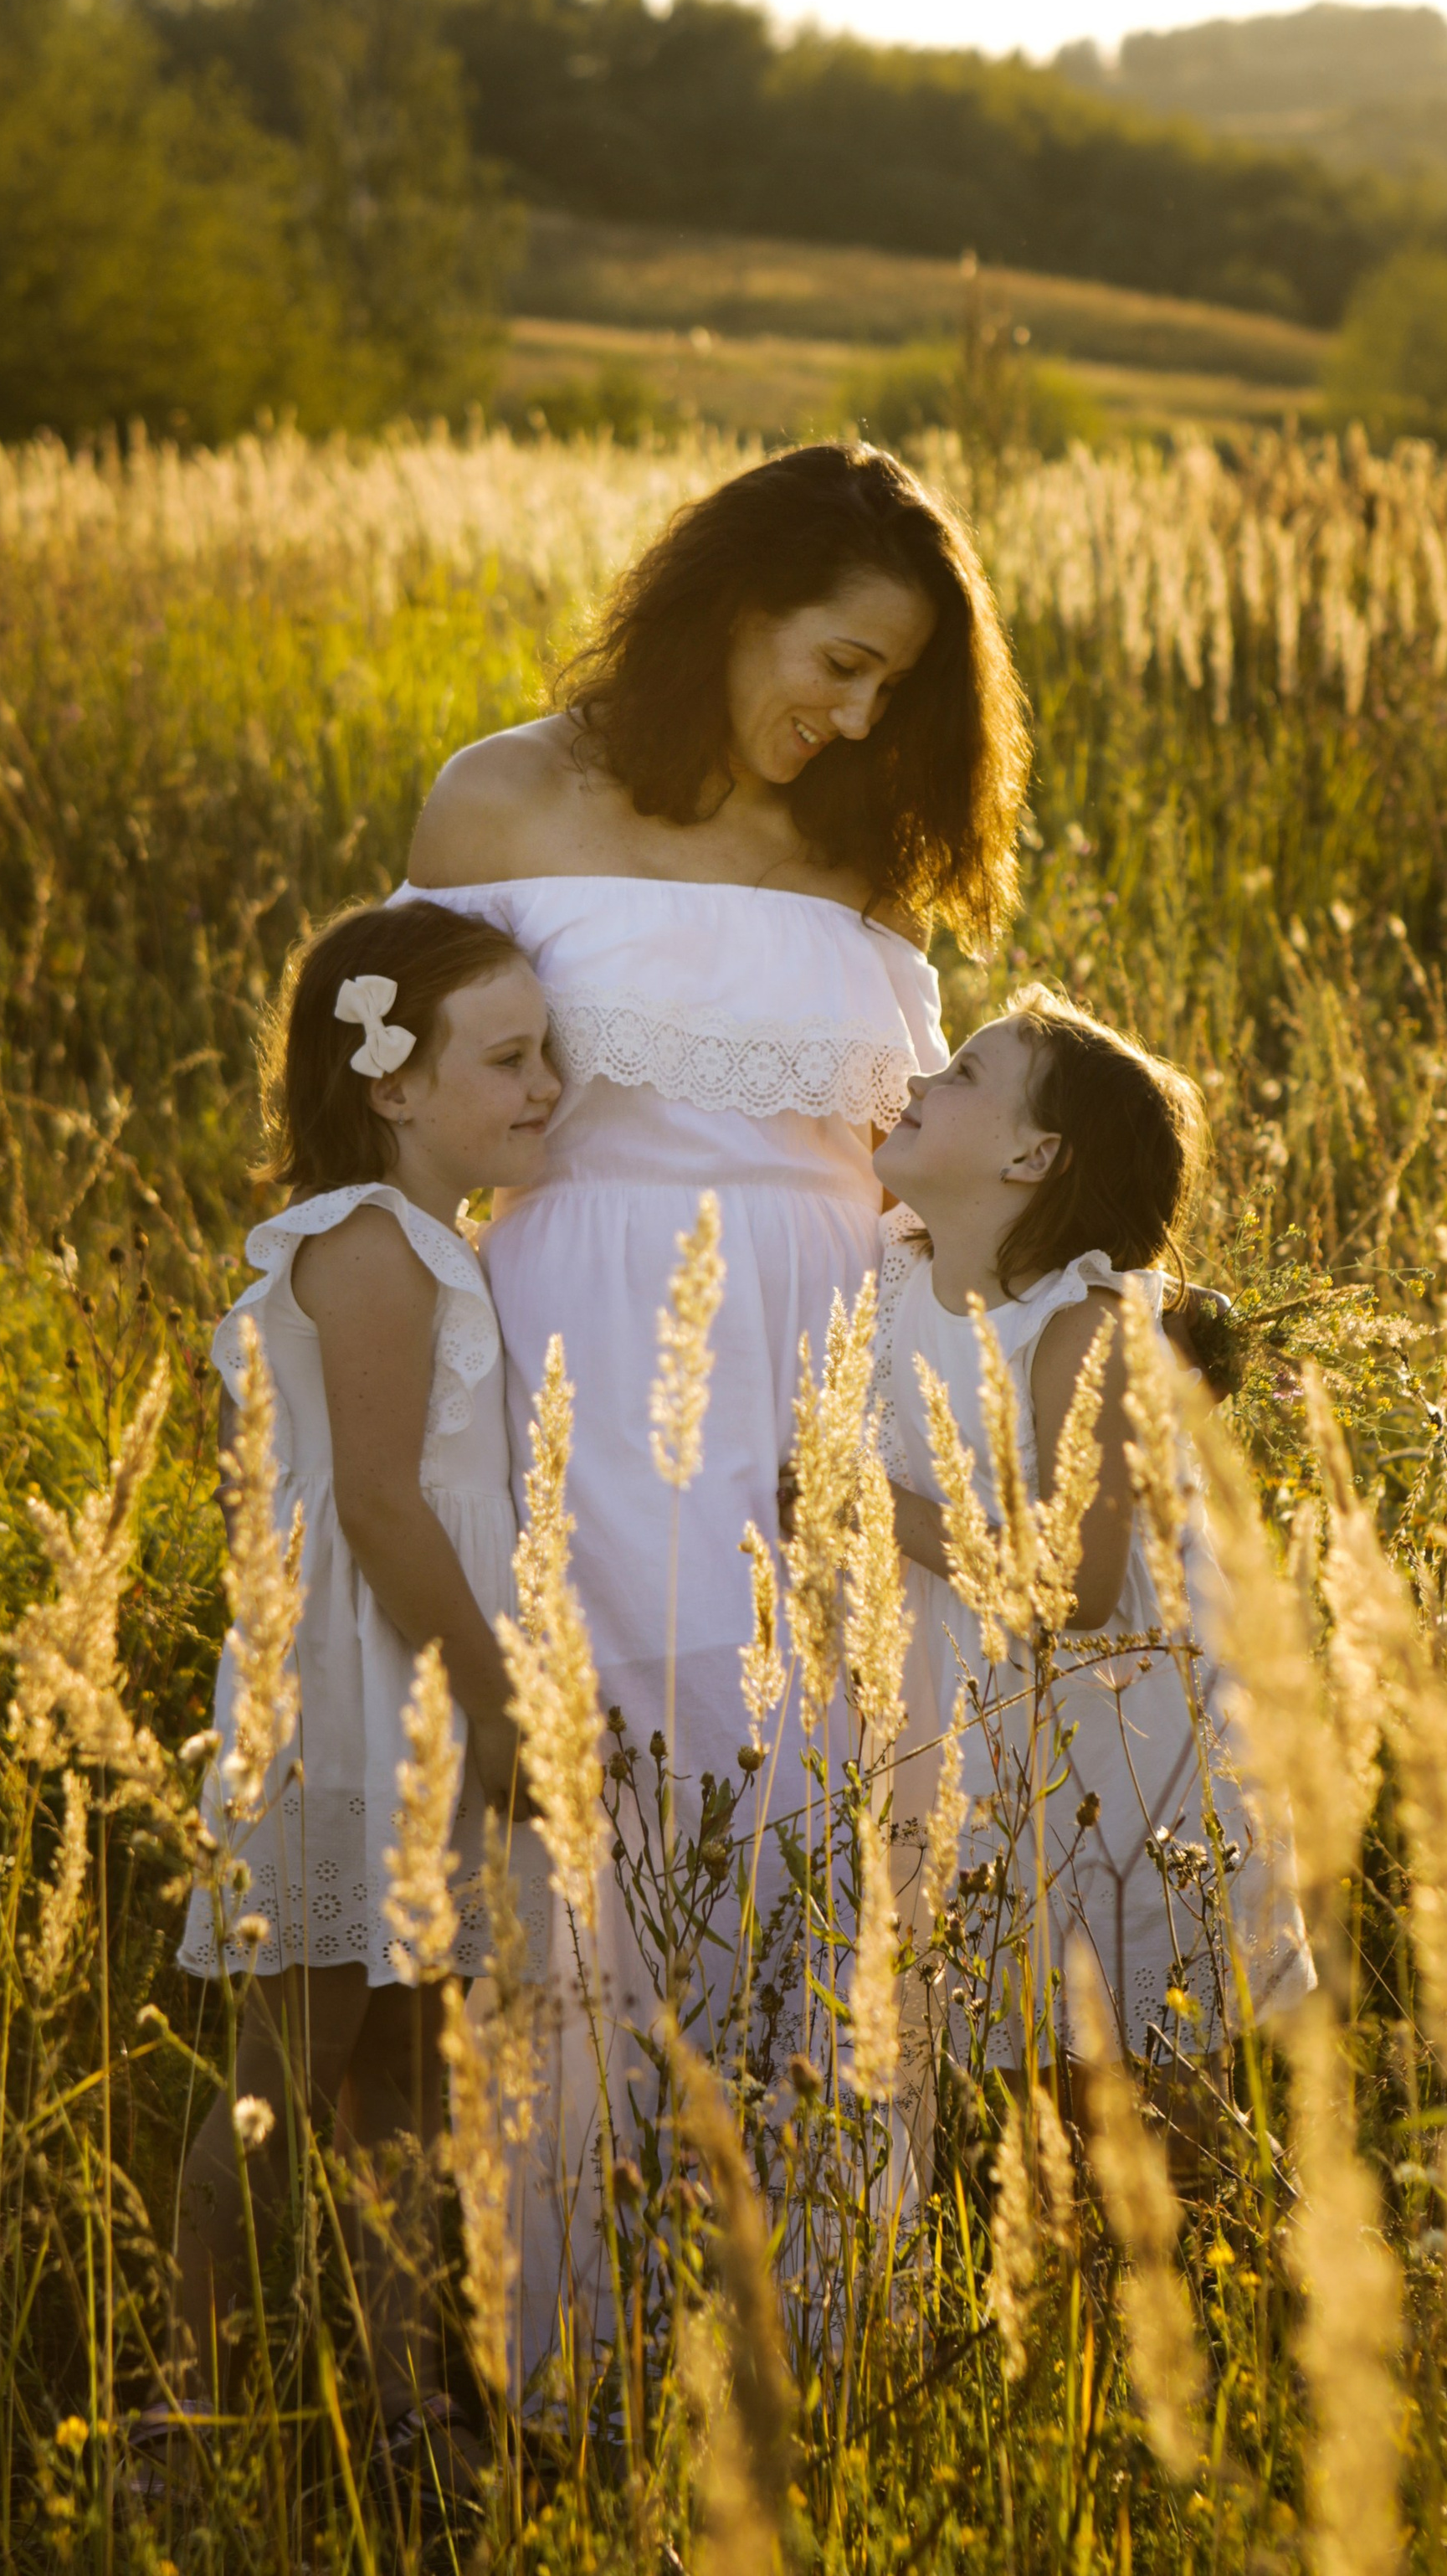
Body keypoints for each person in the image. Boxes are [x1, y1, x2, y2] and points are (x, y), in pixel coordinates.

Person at [400, 441, 1029, 2351]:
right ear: (731, 603)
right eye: (836, 661)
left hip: (837, 1373)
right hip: (578, 1341)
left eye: (892, 690)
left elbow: (926, 1158)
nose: (851, 718)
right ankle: (565, 2346)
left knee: (828, 1809)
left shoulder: (860, 852)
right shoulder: (504, 795)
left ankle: (809, 2337)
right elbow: (401, 1116)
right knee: (595, 1810)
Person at [167, 897, 560, 2472]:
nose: (548, 1085)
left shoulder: (430, 1245)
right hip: (363, 1696)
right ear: (392, 1082)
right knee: (290, 2063)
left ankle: (402, 2405)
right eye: (512, 1057)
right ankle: (175, 2405)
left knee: (405, 2066)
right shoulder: (370, 1249)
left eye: (553, 1055)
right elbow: (382, 1506)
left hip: (409, 1683)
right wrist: (503, 1698)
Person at [866, 985, 1311, 2073]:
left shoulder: (1079, 1328)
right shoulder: (902, 1269)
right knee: (1013, 2036)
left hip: (1129, 1736)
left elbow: (1080, 1588)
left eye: (963, 1073)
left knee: (1146, 2054)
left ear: (1033, 1159)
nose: (920, 1078)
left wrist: (875, 1507)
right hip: (998, 1715)